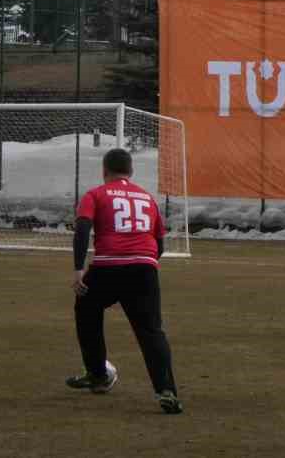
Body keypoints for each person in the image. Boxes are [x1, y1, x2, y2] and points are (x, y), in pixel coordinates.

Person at [66, 148, 182, 414]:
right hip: (144, 268)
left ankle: (98, 374)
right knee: (151, 330)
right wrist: (145, 266)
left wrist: (77, 269)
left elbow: (83, 227)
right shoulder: (147, 197)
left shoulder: (95, 194)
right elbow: (159, 241)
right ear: (131, 172)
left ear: (104, 171)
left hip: (107, 266)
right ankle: (166, 390)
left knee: (86, 308)